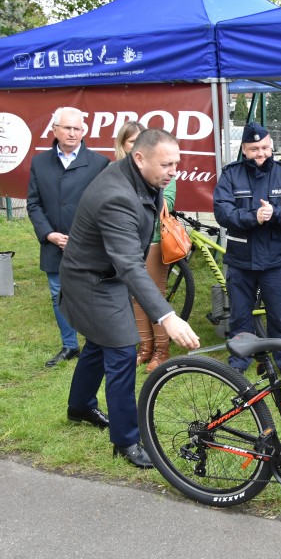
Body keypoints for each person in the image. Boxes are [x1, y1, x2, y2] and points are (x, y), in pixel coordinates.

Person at [59, 129, 200, 469]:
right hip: (90, 281)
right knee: (122, 349)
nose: (172, 171)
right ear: (139, 157)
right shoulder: (116, 195)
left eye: (176, 163)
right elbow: (129, 264)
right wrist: (167, 316)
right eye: (166, 164)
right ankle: (126, 440)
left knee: (98, 343)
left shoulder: (140, 177)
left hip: (107, 275)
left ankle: (79, 406)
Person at [213, 122, 281, 378]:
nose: (260, 153)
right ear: (244, 149)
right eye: (254, 149)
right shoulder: (231, 174)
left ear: (272, 146)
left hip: (274, 260)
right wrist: (253, 217)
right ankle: (238, 364)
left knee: (279, 315)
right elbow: (223, 212)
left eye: (264, 147)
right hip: (241, 260)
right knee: (240, 316)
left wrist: (275, 213)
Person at [27, 106, 110, 367]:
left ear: (84, 131)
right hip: (53, 244)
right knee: (57, 293)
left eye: (77, 128)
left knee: (89, 294)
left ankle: (95, 345)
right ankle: (70, 345)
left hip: (87, 245)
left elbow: (104, 205)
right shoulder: (39, 162)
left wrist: (83, 236)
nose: (72, 133)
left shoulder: (99, 163)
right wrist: (48, 234)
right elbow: (34, 204)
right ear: (55, 130)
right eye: (67, 127)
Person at [115, 122, 178, 373]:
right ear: (124, 145)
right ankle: (145, 348)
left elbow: (168, 202)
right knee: (135, 296)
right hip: (128, 243)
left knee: (154, 294)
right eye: (131, 142)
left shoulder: (163, 173)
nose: (136, 147)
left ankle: (162, 351)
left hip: (152, 241)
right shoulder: (116, 172)